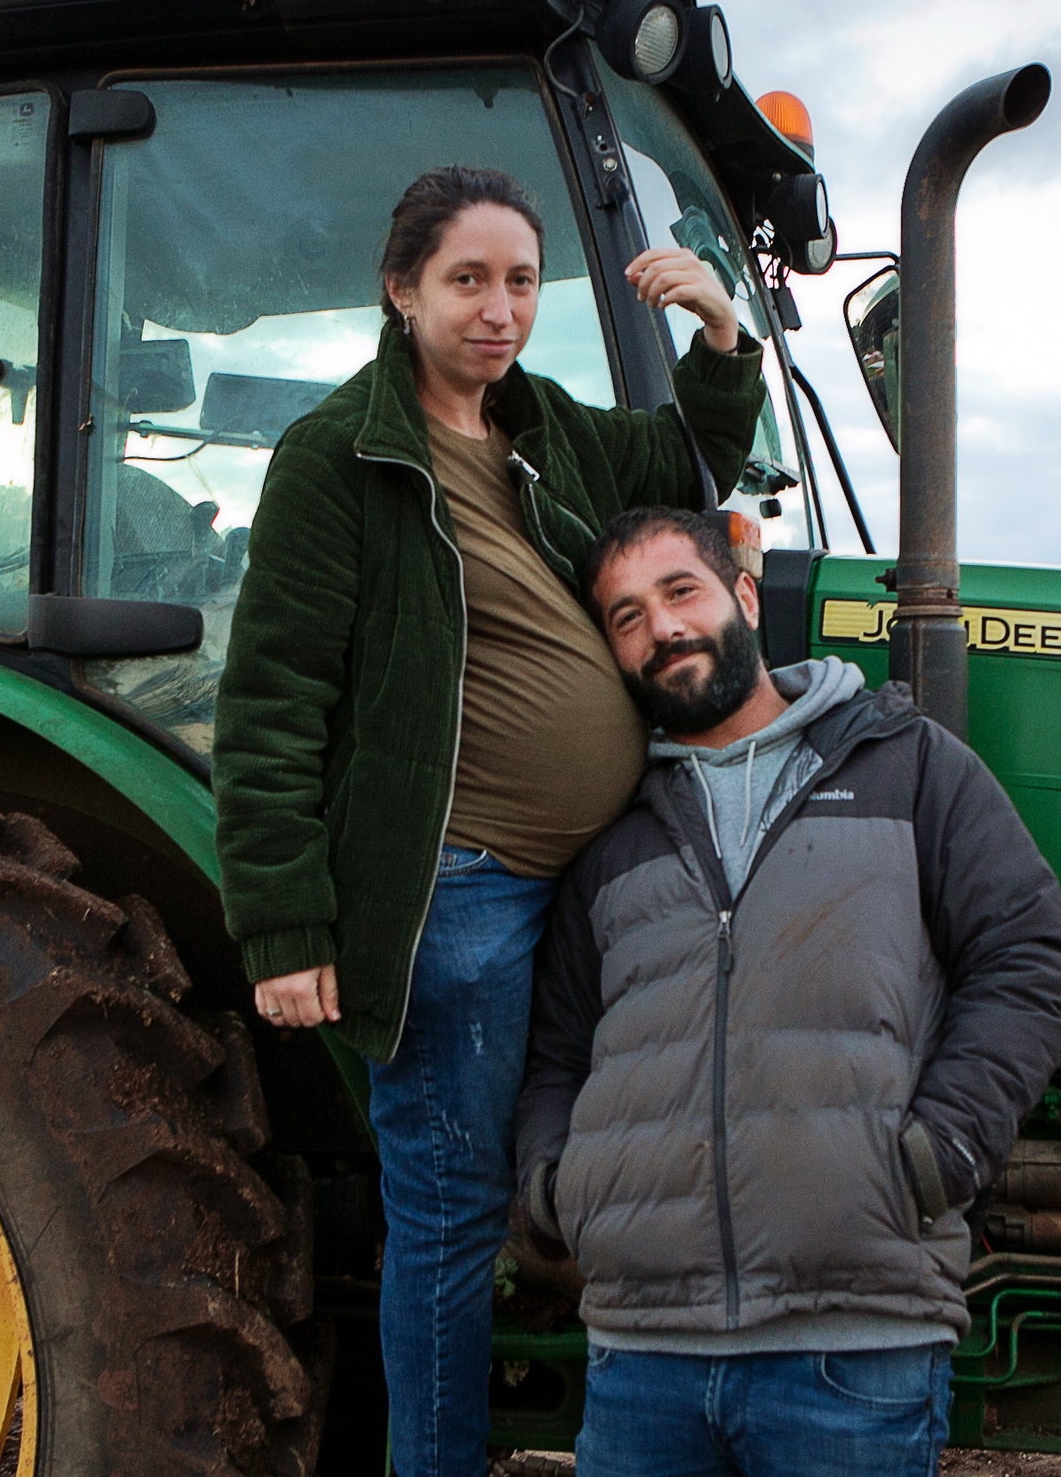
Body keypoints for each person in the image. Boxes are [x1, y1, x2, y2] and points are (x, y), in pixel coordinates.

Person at [213, 167, 767, 1477]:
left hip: (600, 879)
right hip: (458, 890)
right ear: (401, 290)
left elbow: (689, 464)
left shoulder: (546, 427)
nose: (500, 306)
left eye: (521, 279)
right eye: (469, 278)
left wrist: (723, 338)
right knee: (453, 1213)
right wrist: (288, 922)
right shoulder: (337, 459)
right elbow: (277, 695)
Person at [515, 506, 1061, 1477]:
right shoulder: (612, 838)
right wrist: (554, 1194)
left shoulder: (907, 768)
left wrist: (939, 1150)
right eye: (625, 617)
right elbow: (559, 1053)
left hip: (850, 1349)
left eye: (678, 591)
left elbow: (1027, 955)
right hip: (642, 1356)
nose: (660, 629)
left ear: (743, 595)